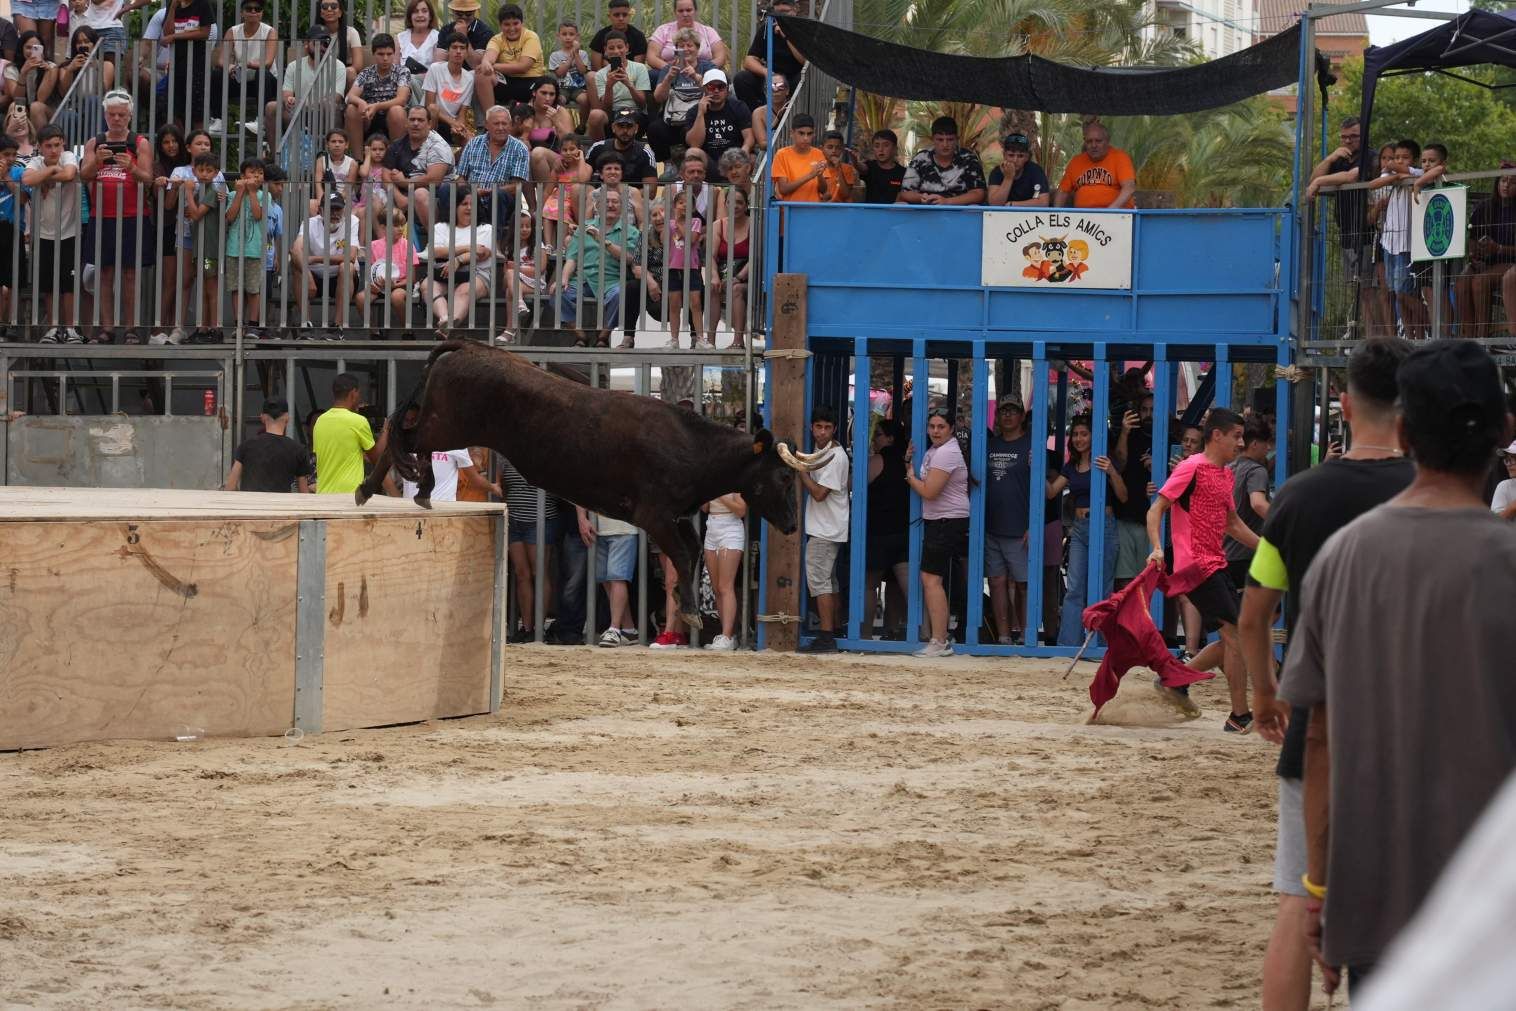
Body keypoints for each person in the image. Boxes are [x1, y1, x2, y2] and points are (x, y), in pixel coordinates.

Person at [1279, 339, 1516, 994]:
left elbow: (1319, 740)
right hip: (1493, 910)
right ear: (1504, 430)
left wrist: (1320, 887)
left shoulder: (1344, 558)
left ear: (1406, 430)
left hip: (1375, 892)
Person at [1237, 335, 1415, 1011]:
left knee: (1295, 897)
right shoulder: (1433, 490)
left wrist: (1262, 690)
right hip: (1408, 721)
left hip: (1316, 713)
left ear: (1343, 404)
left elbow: (1255, 614)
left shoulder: (1301, 495)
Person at [1145, 407, 1258, 731]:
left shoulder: (1226, 474)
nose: (1241, 443)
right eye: (1236, 436)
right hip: (1194, 565)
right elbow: (1157, 510)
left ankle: (1175, 681)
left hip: (1215, 563)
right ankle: (1239, 716)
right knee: (1236, 635)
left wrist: (1268, 548)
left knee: (1235, 636)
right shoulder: (1191, 468)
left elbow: (1233, 524)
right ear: (1217, 435)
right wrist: (1156, 548)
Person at [80, 89, 154, 346]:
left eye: (121, 115)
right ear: (105, 115)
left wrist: (131, 168)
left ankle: (131, 326)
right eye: (112, 114)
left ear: (130, 115)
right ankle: (107, 327)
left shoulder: (140, 143)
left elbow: (149, 178)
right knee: (104, 273)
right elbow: (83, 176)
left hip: (133, 215)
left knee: (131, 274)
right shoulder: (95, 142)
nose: (117, 119)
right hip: (102, 216)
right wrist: (98, 162)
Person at [1050, 415, 1127, 648]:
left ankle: (1100, 644)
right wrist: (1037, 468)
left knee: (1103, 586)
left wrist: (1112, 471)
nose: (1079, 439)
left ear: (1094, 436)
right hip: (1080, 528)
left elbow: (1123, 496)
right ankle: (1069, 645)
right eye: (1075, 434)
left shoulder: (1104, 460)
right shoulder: (1071, 466)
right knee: (1074, 588)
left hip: (1104, 524)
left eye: (1084, 434)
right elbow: (1051, 492)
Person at [905, 410, 968, 658]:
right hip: (941, 520)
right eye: (932, 426)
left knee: (931, 579)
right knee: (933, 579)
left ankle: (939, 641)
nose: (935, 431)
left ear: (951, 428)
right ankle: (939, 639)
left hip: (946, 520)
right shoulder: (936, 451)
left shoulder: (947, 452)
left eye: (941, 426)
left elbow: (930, 491)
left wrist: (909, 476)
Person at [553, 186, 637, 346]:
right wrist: (563, 278)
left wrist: (604, 241)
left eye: (615, 202)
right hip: (583, 280)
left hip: (612, 281)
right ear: (598, 207)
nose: (611, 205)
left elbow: (629, 258)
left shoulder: (631, 231)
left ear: (622, 208)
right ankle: (580, 336)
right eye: (606, 202)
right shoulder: (584, 227)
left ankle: (603, 337)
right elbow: (572, 258)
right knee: (558, 292)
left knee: (622, 294)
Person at [22, 124, 82, 344]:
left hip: (69, 231)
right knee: (48, 284)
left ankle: (71, 329)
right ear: (39, 147)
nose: (54, 150)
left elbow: (68, 174)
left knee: (68, 284)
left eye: (57, 144)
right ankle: (54, 328)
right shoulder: (35, 161)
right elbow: (27, 180)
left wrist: (45, 177)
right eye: (48, 146)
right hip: (43, 233)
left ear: (63, 143)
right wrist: (49, 172)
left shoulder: (68, 156)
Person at [797, 406, 850, 654]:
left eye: (827, 427)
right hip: (827, 527)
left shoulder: (835, 456)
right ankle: (835, 629)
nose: (822, 432)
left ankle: (827, 635)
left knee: (819, 582)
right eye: (819, 426)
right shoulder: (822, 452)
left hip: (825, 529)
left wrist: (801, 471)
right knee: (829, 581)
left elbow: (819, 494)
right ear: (811, 427)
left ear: (835, 429)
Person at [985, 393, 1035, 645]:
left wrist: (1032, 525)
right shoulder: (990, 445)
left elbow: (1041, 491)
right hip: (991, 528)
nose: (1007, 415)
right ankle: (1004, 636)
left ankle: (1026, 635)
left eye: (1013, 411)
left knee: (1024, 585)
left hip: (1020, 529)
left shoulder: (1031, 446)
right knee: (996, 581)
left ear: (1022, 416)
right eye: (1003, 410)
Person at [501, 458, 559, 642]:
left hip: (540, 519)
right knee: (521, 573)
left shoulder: (542, 454)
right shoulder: (505, 458)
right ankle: (526, 627)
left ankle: (538, 628)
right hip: (515, 519)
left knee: (539, 572)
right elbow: (501, 485)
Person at [863, 416, 910, 640]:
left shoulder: (876, 461)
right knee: (904, 588)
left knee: (869, 586)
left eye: (878, 434)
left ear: (890, 438)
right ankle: (907, 631)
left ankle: (863, 633)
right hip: (904, 532)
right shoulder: (908, 461)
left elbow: (853, 484)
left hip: (878, 534)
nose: (873, 439)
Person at [424, 188, 494, 332]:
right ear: (454, 206)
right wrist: (469, 247)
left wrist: (458, 260)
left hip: (477, 273)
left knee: (464, 290)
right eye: (464, 204)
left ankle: (448, 328)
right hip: (445, 272)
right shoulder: (440, 227)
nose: (469, 207)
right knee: (427, 285)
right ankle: (444, 319)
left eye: (472, 204)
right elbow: (434, 251)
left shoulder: (485, 229)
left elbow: (481, 253)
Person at [1456, 170, 1516, 338]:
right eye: (1503, 180)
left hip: (1510, 262)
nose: (1506, 185)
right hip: (1486, 261)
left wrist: (1498, 248)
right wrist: (1474, 254)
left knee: (1480, 282)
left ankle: (1483, 339)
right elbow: (1473, 237)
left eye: (1512, 182)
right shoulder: (1485, 207)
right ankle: (1469, 337)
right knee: (1462, 281)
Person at [291, 193, 361, 333]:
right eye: (331, 209)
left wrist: (315, 259)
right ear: (321, 210)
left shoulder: (352, 221)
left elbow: (351, 256)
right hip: (314, 278)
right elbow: (295, 250)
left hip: (340, 277)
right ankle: (306, 324)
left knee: (346, 266)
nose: (335, 213)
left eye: (338, 209)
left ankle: (337, 326)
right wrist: (307, 274)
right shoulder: (309, 223)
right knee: (296, 265)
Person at [572, 505, 640, 648]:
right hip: (598, 528)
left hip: (624, 528)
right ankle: (629, 630)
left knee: (617, 577)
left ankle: (614, 628)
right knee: (607, 580)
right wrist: (582, 518)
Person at [267, 27, 345, 144]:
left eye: (325, 43)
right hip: (298, 113)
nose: (322, 47)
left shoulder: (338, 66)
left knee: (330, 105)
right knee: (272, 107)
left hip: (324, 112)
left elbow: (335, 97)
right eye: (317, 42)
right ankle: (275, 159)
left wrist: (305, 104)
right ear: (306, 44)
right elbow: (286, 94)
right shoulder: (294, 66)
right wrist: (289, 100)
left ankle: (330, 157)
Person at [382, 105, 455, 231]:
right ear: (406, 123)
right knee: (374, 200)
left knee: (419, 194)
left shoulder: (438, 145)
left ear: (429, 124)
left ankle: (435, 240)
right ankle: (382, 247)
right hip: (404, 194)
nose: (415, 123)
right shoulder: (397, 145)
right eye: (412, 119)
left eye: (420, 120)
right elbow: (385, 175)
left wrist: (404, 183)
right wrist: (399, 197)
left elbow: (434, 179)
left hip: (436, 195)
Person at [222, 157, 269, 341]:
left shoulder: (264, 194)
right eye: (252, 173)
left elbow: (258, 215)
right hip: (234, 249)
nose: (256, 176)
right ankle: (238, 324)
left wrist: (250, 193)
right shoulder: (233, 195)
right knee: (236, 287)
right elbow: (230, 217)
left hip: (254, 250)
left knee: (253, 288)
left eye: (260, 173)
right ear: (242, 176)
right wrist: (240, 192)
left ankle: (253, 325)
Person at [312, 372, 383, 494]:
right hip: (348, 497)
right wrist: (386, 431)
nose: (360, 397)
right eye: (359, 393)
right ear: (353, 393)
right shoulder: (359, 421)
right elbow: (377, 460)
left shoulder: (320, 421)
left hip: (323, 496)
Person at [1222, 415, 1272, 590]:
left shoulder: (1229, 467)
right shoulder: (1257, 471)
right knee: (1269, 610)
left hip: (1226, 552)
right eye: (1267, 443)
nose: (1269, 448)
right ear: (1255, 444)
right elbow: (1258, 503)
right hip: (1247, 554)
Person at [181, 151, 225, 343]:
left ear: (216, 173)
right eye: (201, 170)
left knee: (211, 289)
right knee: (204, 288)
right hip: (201, 247)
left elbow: (197, 214)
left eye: (209, 170)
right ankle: (204, 327)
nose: (205, 174)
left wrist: (188, 192)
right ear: (194, 171)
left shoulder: (212, 192)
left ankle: (214, 328)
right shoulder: (202, 192)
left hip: (210, 249)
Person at [225, 398, 313, 492]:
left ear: (262, 418)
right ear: (287, 418)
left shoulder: (246, 446)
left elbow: (230, 487)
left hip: (251, 505)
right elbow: (303, 493)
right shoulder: (298, 450)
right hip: (280, 505)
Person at [648, 26, 710, 158]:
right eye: (681, 46)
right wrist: (668, 78)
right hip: (673, 118)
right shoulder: (668, 69)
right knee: (654, 128)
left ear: (698, 48)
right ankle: (667, 162)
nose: (686, 49)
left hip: (698, 118)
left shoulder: (707, 67)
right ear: (676, 50)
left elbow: (715, 93)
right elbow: (658, 98)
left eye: (690, 45)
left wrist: (696, 77)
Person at [899, 116, 985, 206]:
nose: (945, 144)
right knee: (900, 205)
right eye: (940, 140)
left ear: (957, 139)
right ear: (932, 139)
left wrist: (947, 202)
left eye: (950, 140)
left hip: (959, 210)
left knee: (974, 207)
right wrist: (922, 197)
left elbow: (978, 194)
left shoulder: (968, 158)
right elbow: (905, 193)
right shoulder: (921, 159)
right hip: (926, 210)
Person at [345, 32, 411, 149]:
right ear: (373, 54)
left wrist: (377, 106)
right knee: (351, 109)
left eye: (389, 54)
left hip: (394, 118)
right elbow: (351, 96)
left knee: (396, 110)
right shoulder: (366, 72)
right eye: (380, 54)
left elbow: (401, 100)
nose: (385, 58)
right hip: (369, 117)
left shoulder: (402, 71)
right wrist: (361, 103)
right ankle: (357, 160)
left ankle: (396, 159)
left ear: (394, 54)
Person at [361, 207, 420, 334]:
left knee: (396, 297)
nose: (400, 228)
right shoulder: (374, 246)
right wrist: (374, 285)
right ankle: (375, 331)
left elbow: (412, 278)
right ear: (383, 227)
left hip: (401, 285)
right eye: (395, 225)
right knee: (361, 298)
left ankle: (407, 331)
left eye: (402, 225)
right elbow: (370, 273)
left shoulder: (408, 245)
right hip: (380, 286)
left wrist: (395, 285)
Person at [216, 0, 278, 120]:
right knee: (217, 75)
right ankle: (218, 119)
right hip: (240, 79)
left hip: (265, 82)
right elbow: (221, 60)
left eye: (258, 9)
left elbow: (268, 62)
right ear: (242, 13)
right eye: (249, 8)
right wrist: (230, 67)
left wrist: (247, 64)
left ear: (261, 13)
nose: (253, 11)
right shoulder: (232, 31)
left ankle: (262, 119)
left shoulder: (270, 32)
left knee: (262, 73)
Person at [734, 0, 803, 108]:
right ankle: (755, 116)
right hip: (771, 75)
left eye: (785, 12)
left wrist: (786, 35)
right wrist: (766, 72)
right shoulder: (766, 28)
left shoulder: (802, 29)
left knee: (802, 80)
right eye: (778, 12)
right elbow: (749, 60)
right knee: (742, 78)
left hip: (793, 77)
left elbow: (804, 60)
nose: (781, 16)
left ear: (795, 10)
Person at [700, 491, 745, 651]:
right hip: (711, 527)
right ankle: (727, 635)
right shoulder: (712, 478)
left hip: (730, 528)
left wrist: (722, 496)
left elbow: (741, 510)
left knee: (726, 586)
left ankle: (727, 635)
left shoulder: (734, 480)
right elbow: (705, 508)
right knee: (717, 588)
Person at [1054, 121, 1135, 209]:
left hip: (1116, 216)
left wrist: (1109, 212)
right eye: (1089, 141)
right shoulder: (1076, 162)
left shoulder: (1120, 157)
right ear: (1084, 142)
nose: (1094, 145)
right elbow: (1062, 191)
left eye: (1098, 141)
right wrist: (1056, 213)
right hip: (1083, 218)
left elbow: (1129, 188)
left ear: (1107, 141)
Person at [475, 3, 543, 107]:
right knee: (482, 74)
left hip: (531, 83)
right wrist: (485, 62)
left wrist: (492, 66)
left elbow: (523, 67)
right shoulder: (497, 39)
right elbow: (489, 56)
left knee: (544, 87)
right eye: (507, 24)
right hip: (507, 81)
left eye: (516, 23)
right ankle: (491, 117)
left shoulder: (531, 37)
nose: (512, 28)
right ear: (500, 25)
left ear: (522, 23)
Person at [162, 0, 214, 128]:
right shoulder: (172, 5)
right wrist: (173, 7)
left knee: (198, 110)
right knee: (175, 109)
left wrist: (175, 37)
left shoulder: (203, 4)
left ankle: (198, 143)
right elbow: (167, 32)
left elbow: (204, 33)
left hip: (197, 64)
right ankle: (180, 144)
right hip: (177, 64)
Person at [685, 68, 751, 167]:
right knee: (692, 152)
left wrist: (744, 150)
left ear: (727, 89)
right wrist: (700, 114)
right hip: (708, 163)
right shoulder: (694, 112)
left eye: (721, 87)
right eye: (711, 87)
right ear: (704, 89)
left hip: (735, 160)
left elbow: (749, 137)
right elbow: (695, 144)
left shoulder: (739, 107)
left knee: (751, 157)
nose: (716, 91)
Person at [646, 0, 726, 78]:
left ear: (695, 11)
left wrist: (703, 70)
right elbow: (651, 57)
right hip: (670, 73)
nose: (685, 14)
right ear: (675, 13)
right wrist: (670, 69)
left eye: (689, 10)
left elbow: (721, 58)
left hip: (703, 73)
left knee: (721, 76)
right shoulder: (663, 30)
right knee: (651, 76)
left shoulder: (708, 31)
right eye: (680, 11)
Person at [424, 28, 476, 145]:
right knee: (433, 109)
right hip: (433, 119)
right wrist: (453, 122)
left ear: (467, 52)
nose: (458, 51)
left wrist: (459, 126)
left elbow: (462, 112)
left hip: (452, 124)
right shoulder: (435, 68)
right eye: (454, 47)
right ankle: (428, 145)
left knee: (470, 141)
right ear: (448, 50)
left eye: (462, 48)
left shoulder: (469, 78)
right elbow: (429, 105)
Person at [586, 107, 657, 185]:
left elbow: (650, 191)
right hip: (600, 195)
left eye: (629, 126)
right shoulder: (597, 148)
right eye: (621, 126)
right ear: (613, 127)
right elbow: (584, 181)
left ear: (636, 128)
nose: (625, 131)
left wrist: (622, 195)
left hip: (632, 196)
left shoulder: (645, 153)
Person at [401, 447, 499, 502]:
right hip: (410, 511)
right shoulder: (409, 438)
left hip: (443, 513)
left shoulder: (454, 443)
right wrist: (493, 488)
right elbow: (475, 479)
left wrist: (492, 487)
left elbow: (474, 479)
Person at [771, 112, 827, 202]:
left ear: (814, 134)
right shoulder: (781, 155)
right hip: (789, 211)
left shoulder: (818, 154)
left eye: (809, 134)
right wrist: (810, 175)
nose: (805, 138)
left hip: (813, 210)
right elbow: (783, 189)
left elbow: (824, 190)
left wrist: (820, 176)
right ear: (791, 133)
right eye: (801, 133)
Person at [987, 132, 1051, 207]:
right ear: (1004, 155)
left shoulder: (1035, 171)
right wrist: (1008, 178)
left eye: (1020, 156)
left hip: (1030, 217)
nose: (1015, 160)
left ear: (1027, 157)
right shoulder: (997, 172)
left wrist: (1012, 205)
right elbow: (994, 204)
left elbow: (1043, 202)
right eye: (1011, 155)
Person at [548, 20, 590, 124]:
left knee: (585, 100)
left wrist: (576, 53)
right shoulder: (555, 55)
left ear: (577, 36)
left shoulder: (583, 54)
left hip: (579, 88)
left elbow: (583, 70)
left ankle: (582, 125)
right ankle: (561, 124)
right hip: (562, 88)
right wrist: (571, 56)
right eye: (564, 34)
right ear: (558, 36)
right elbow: (560, 73)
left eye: (571, 34)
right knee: (559, 100)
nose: (568, 37)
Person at [858, 128, 904, 205]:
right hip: (870, 213)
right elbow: (861, 168)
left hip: (893, 214)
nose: (881, 149)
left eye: (886, 145)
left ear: (895, 149)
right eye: (877, 146)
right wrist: (855, 162)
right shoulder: (869, 166)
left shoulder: (903, 172)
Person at [747, 72, 788, 152]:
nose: (775, 91)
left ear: (787, 91)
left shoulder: (794, 107)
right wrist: (777, 118)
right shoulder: (759, 113)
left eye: (780, 87)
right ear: (766, 92)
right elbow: (762, 144)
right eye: (771, 87)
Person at [1492, 440, 1516, 520]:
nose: (1509, 465)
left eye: (1515, 459)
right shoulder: (1505, 486)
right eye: (1507, 460)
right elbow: (1494, 522)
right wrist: (1513, 508)